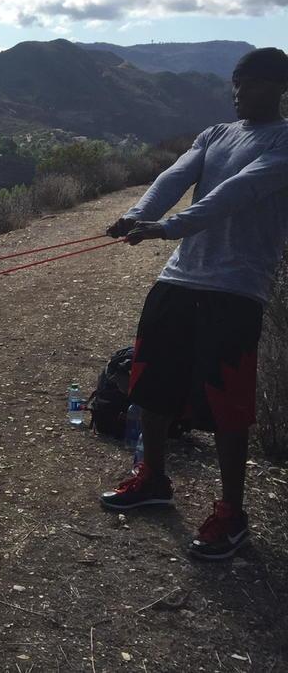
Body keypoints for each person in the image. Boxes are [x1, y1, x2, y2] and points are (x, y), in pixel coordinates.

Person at [99, 46, 288, 560]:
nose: (239, 93)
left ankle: (232, 514)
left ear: (279, 87)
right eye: (236, 83)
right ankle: (153, 478)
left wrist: (166, 228)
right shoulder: (215, 134)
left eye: (251, 84)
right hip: (179, 278)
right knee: (151, 382)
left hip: (235, 288)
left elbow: (237, 191)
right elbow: (173, 177)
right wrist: (137, 214)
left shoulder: (283, 140)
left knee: (227, 400)